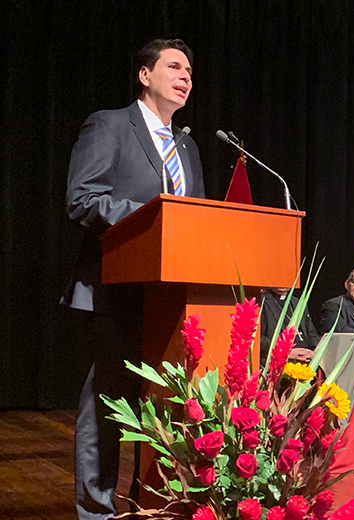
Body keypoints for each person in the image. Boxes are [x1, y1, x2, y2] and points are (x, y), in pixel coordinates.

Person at [62, 39, 204, 520]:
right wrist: (153, 217)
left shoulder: (187, 146)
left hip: (171, 296)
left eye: (189, 69)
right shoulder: (110, 125)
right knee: (108, 402)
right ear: (145, 75)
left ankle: (157, 502)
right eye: (174, 66)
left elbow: (196, 220)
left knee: (168, 404)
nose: (186, 75)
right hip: (114, 289)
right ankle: (96, 508)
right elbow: (83, 198)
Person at [259, 287, 320, 366]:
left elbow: (311, 333)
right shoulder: (261, 301)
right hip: (276, 363)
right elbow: (258, 339)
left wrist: (313, 352)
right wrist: (285, 353)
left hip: (305, 363)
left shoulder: (298, 302)